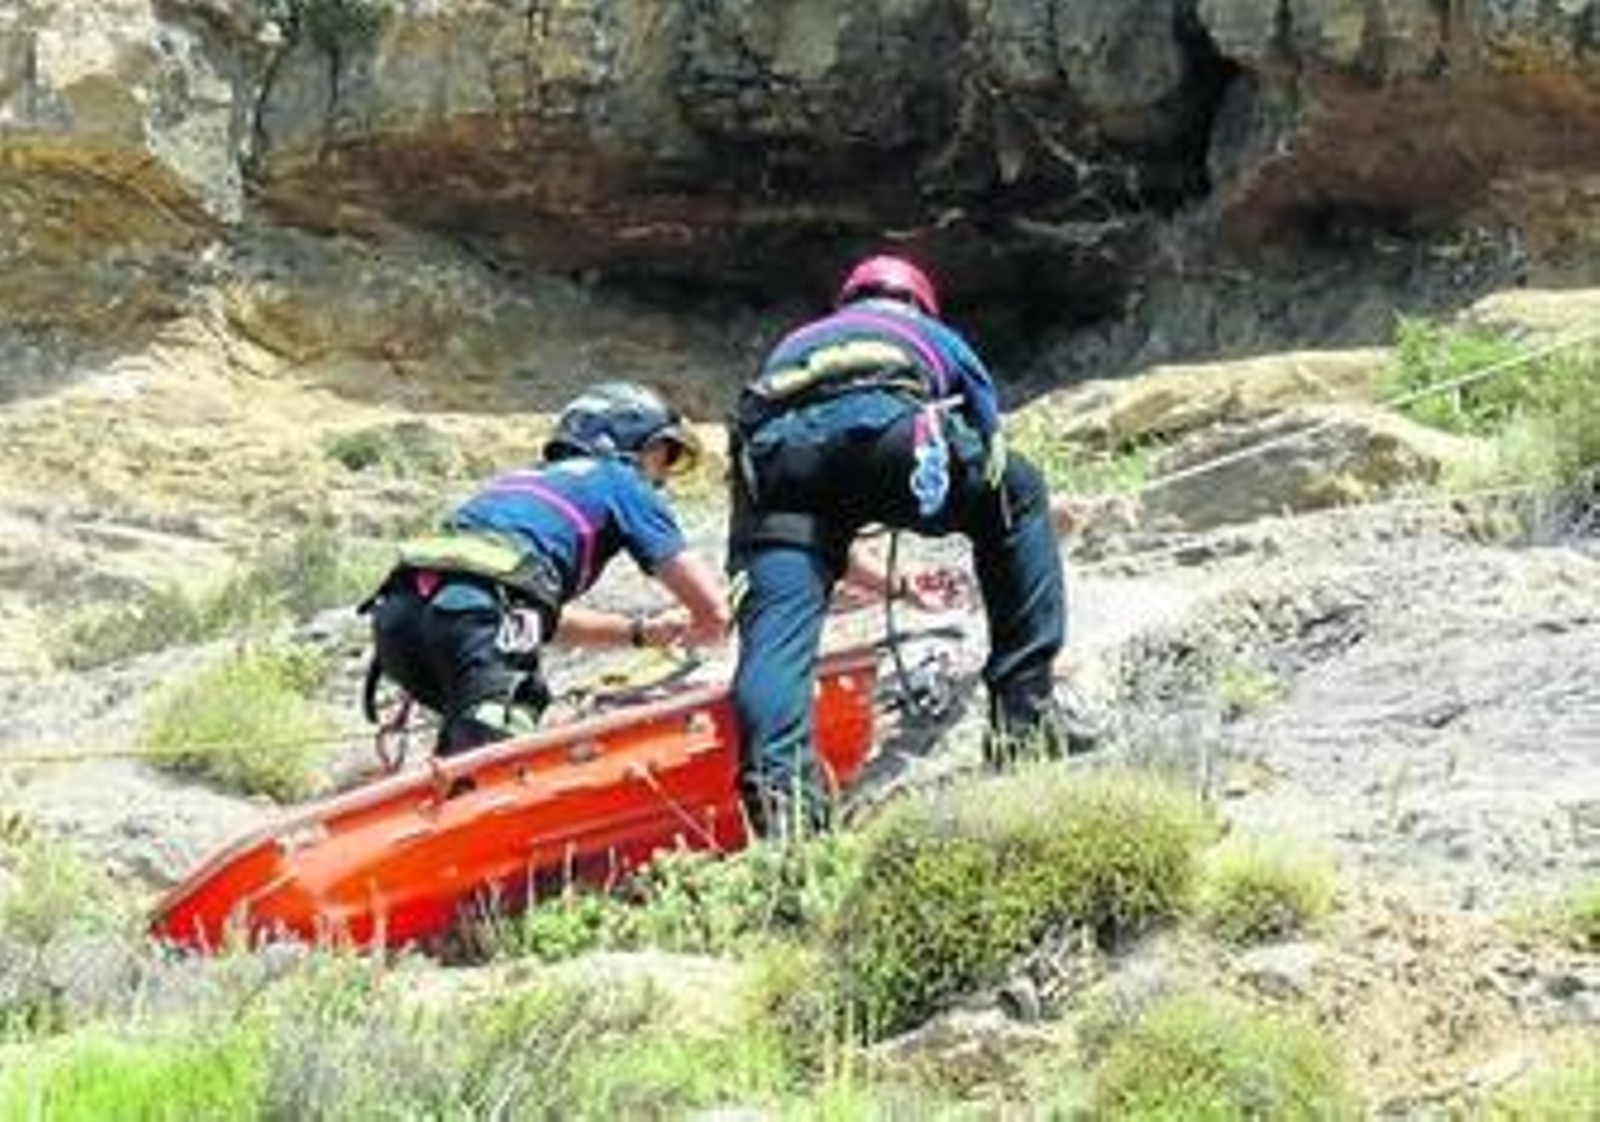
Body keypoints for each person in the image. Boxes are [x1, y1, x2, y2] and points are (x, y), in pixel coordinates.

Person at [727, 253, 1085, 833]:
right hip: (889, 436)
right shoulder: (929, 333)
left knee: (775, 639)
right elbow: (988, 436)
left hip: (777, 465)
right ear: (920, 303)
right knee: (1019, 492)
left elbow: (802, 462)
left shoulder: (795, 343)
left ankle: (785, 818)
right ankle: (1025, 720)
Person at [365, 381, 730, 756]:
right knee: (499, 751)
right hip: (478, 615)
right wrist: (707, 629)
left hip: (398, 620)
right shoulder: (619, 479)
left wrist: (640, 633)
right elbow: (712, 610)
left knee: (467, 748)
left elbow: (527, 610)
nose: (661, 477)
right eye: (663, 455)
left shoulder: (517, 485)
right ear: (626, 441)